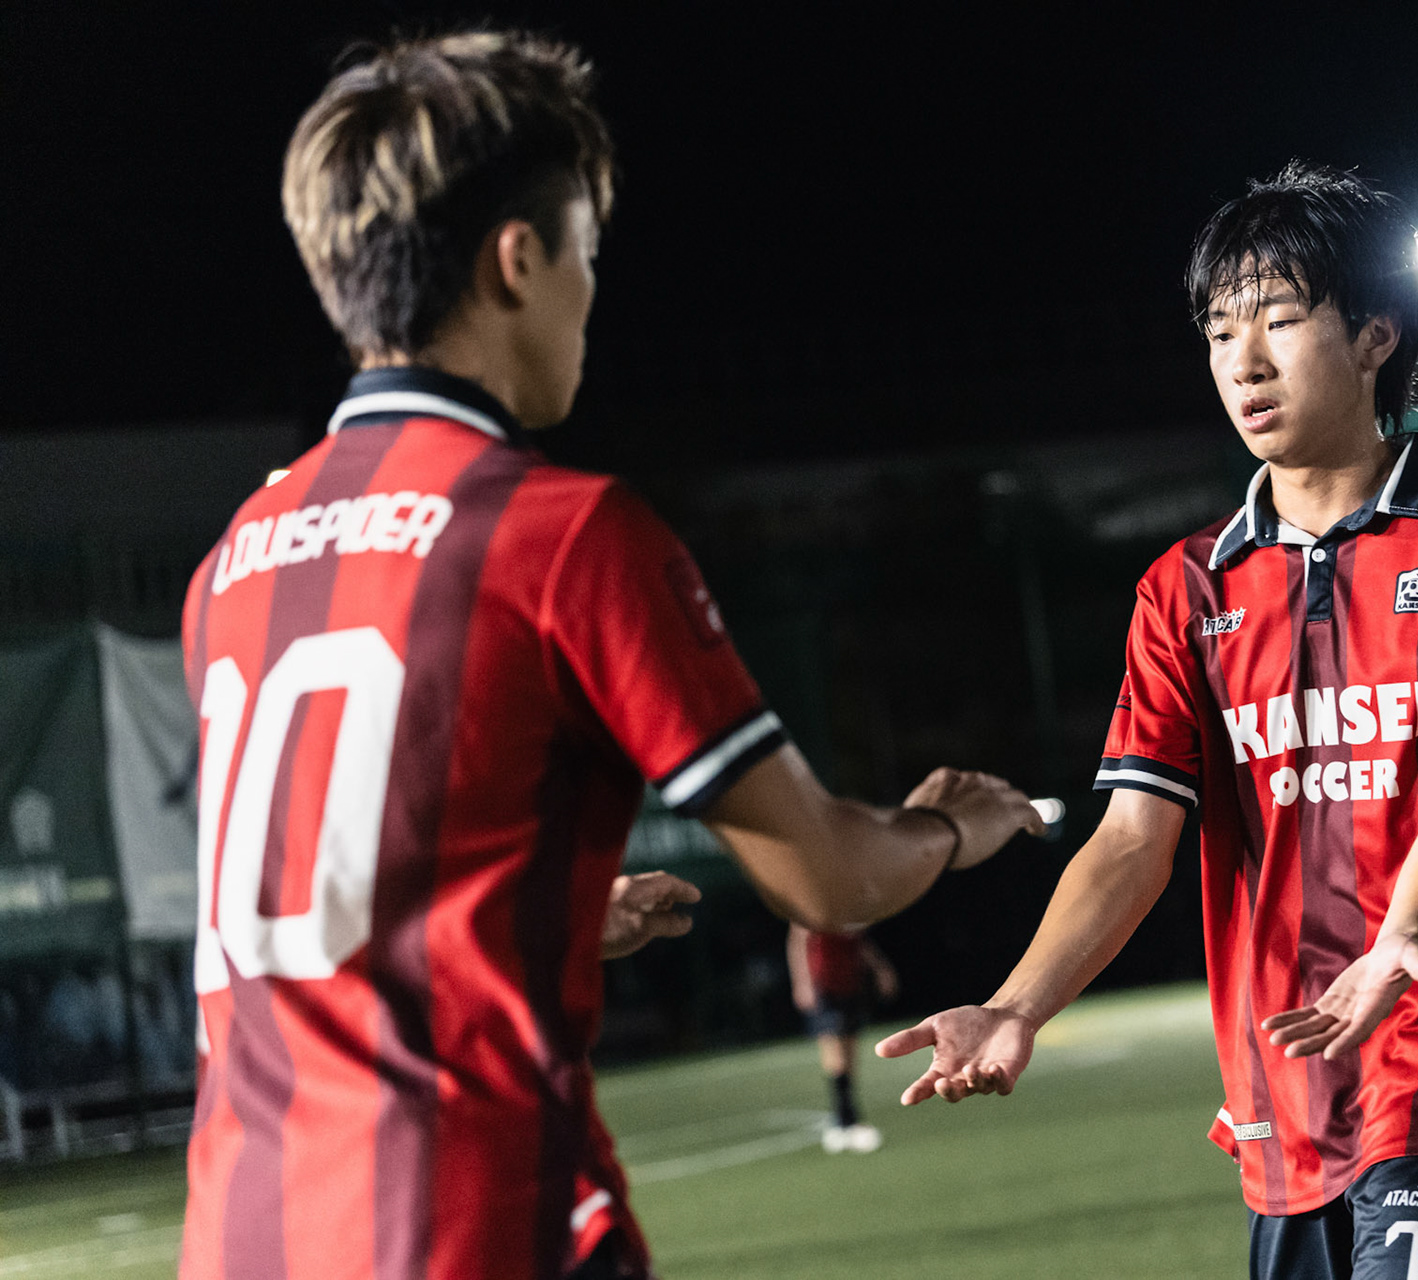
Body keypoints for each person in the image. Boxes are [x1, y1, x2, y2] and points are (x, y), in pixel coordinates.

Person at [179, 32, 1043, 1280]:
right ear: (518, 260)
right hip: (475, 1230)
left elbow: (317, 921)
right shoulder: (561, 532)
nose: (593, 290)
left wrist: (549, 925)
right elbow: (830, 878)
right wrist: (954, 824)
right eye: (587, 249)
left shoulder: (234, 560)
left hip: (241, 1239)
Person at [879, 162, 1418, 1280]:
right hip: (1281, 1077)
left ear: (1376, 337)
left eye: (1280, 321)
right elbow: (1130, 836)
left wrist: (1398, 947)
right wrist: (1017, 1006)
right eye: (1218, 332)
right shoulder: (1184, 587)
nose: (1242, 362)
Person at [788, 923, 899, 1152]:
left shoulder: (849, 902)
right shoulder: (812, 903)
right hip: (823, 982)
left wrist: (880, 968)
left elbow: (861, 942)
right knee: (835, 1052)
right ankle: (847, 1121)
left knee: (849, 1052)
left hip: (849, 981)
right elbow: (798, 942)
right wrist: (802, 982)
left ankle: (844, 1122)